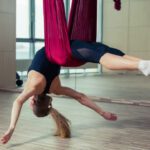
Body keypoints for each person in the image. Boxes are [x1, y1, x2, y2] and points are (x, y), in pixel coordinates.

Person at [1, 40, 150, 144]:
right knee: (103, 55)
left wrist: (101, 112)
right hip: (64, 47)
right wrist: (11, 128)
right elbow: (18, 101)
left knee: (109, 53)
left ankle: (143, 65)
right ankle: (142, 65)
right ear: (32, 102)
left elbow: (80, 97)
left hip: (67, 49)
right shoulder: (34, 86)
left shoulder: (55, 89)